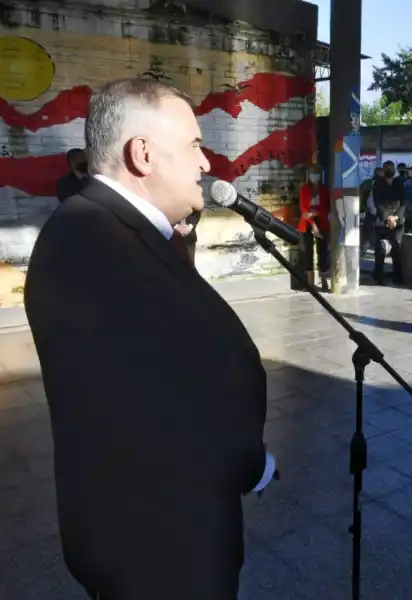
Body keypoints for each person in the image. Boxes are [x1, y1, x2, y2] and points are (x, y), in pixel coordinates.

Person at [24, 78, 275, 600]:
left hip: (170, 532)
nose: (205, 162)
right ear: (142, 154)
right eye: (194, 144)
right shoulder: (92, 242)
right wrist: (250, 463)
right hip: (156, 548)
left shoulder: (119, 231)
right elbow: (157, 410)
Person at [297, 164, 331, 290]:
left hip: (323, 223)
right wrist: (313, 224)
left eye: (316, 173)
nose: (314, 176)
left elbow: (327, 208)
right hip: (307, 223)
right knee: (308, 252)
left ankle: (324, 280)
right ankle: (310, 283)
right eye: (312, 173)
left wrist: (315, 214)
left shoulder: (325, 189)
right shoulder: (304, 189)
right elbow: (304, 209)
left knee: (323, 252)